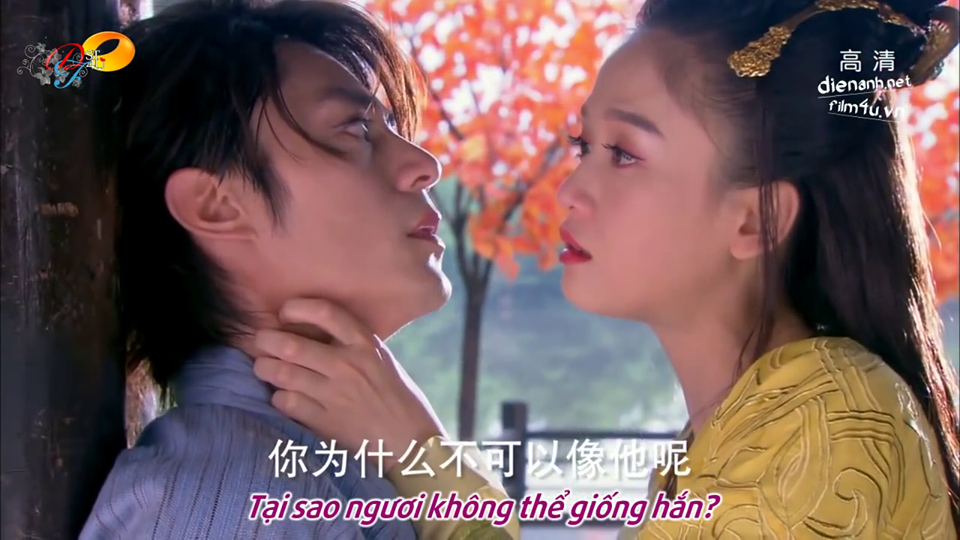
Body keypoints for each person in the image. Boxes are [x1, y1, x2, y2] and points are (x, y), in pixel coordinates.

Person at [262, 0, 960, 537]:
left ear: (757, 221)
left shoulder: (829, 432)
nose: (570, 190)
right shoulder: (763, 418)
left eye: (624, 153)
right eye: (582, 146)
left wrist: (417, 449)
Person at [80, 0, 516, 538]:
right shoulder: (236, 496)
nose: (424, 165)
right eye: (355, 130)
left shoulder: (308, 469)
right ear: (216, 207)